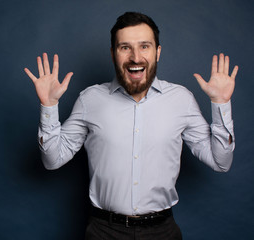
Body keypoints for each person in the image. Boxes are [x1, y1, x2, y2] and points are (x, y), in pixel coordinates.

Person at [24, 12, 238, 240]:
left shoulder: (181, 100)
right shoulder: (90, 99)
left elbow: (220, 162)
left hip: (162, 232)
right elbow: (52, 160)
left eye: (144, 46)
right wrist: (49, 106)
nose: (136, 57)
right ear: (113, 54)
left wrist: (221, 104)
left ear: (158, 52)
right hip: (103, 232)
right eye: (125, 47)